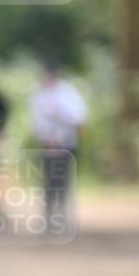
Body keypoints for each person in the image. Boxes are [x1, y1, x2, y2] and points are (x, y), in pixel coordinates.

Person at [28, 62, 87, 232]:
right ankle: (48, 216)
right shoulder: (38, 95)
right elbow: (35, 122)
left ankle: (62, 215)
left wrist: (60, 115)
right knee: (47, 181)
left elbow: (78, 118)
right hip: (46, 144)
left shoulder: (68, 93)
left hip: (65, 143)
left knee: (62, 181)